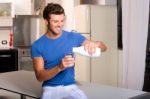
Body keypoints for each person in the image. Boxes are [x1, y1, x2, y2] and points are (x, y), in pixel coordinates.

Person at [31, 3, 107, 99]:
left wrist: (97, 44)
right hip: (50, 88)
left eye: (62, 21)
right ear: (46, 21)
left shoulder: (73, 37)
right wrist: (59, 67)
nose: (60, 25)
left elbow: (104, 48)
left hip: (70, 87)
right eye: (55, 21)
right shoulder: (37, 45)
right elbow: (39, 76)